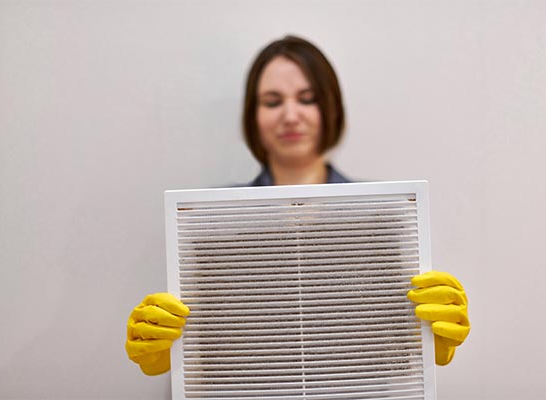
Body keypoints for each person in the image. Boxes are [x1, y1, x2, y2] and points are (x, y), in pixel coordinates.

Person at [125, 35, 470, 376]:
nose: (290, 116)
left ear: (331, 108)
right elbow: (213, 340)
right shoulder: (215, 225)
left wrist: (425, 338)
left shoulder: (379, 216)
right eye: (273, 102)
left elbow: (388, 342)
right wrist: (173, 346)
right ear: (253, 116)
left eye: (307, 99)